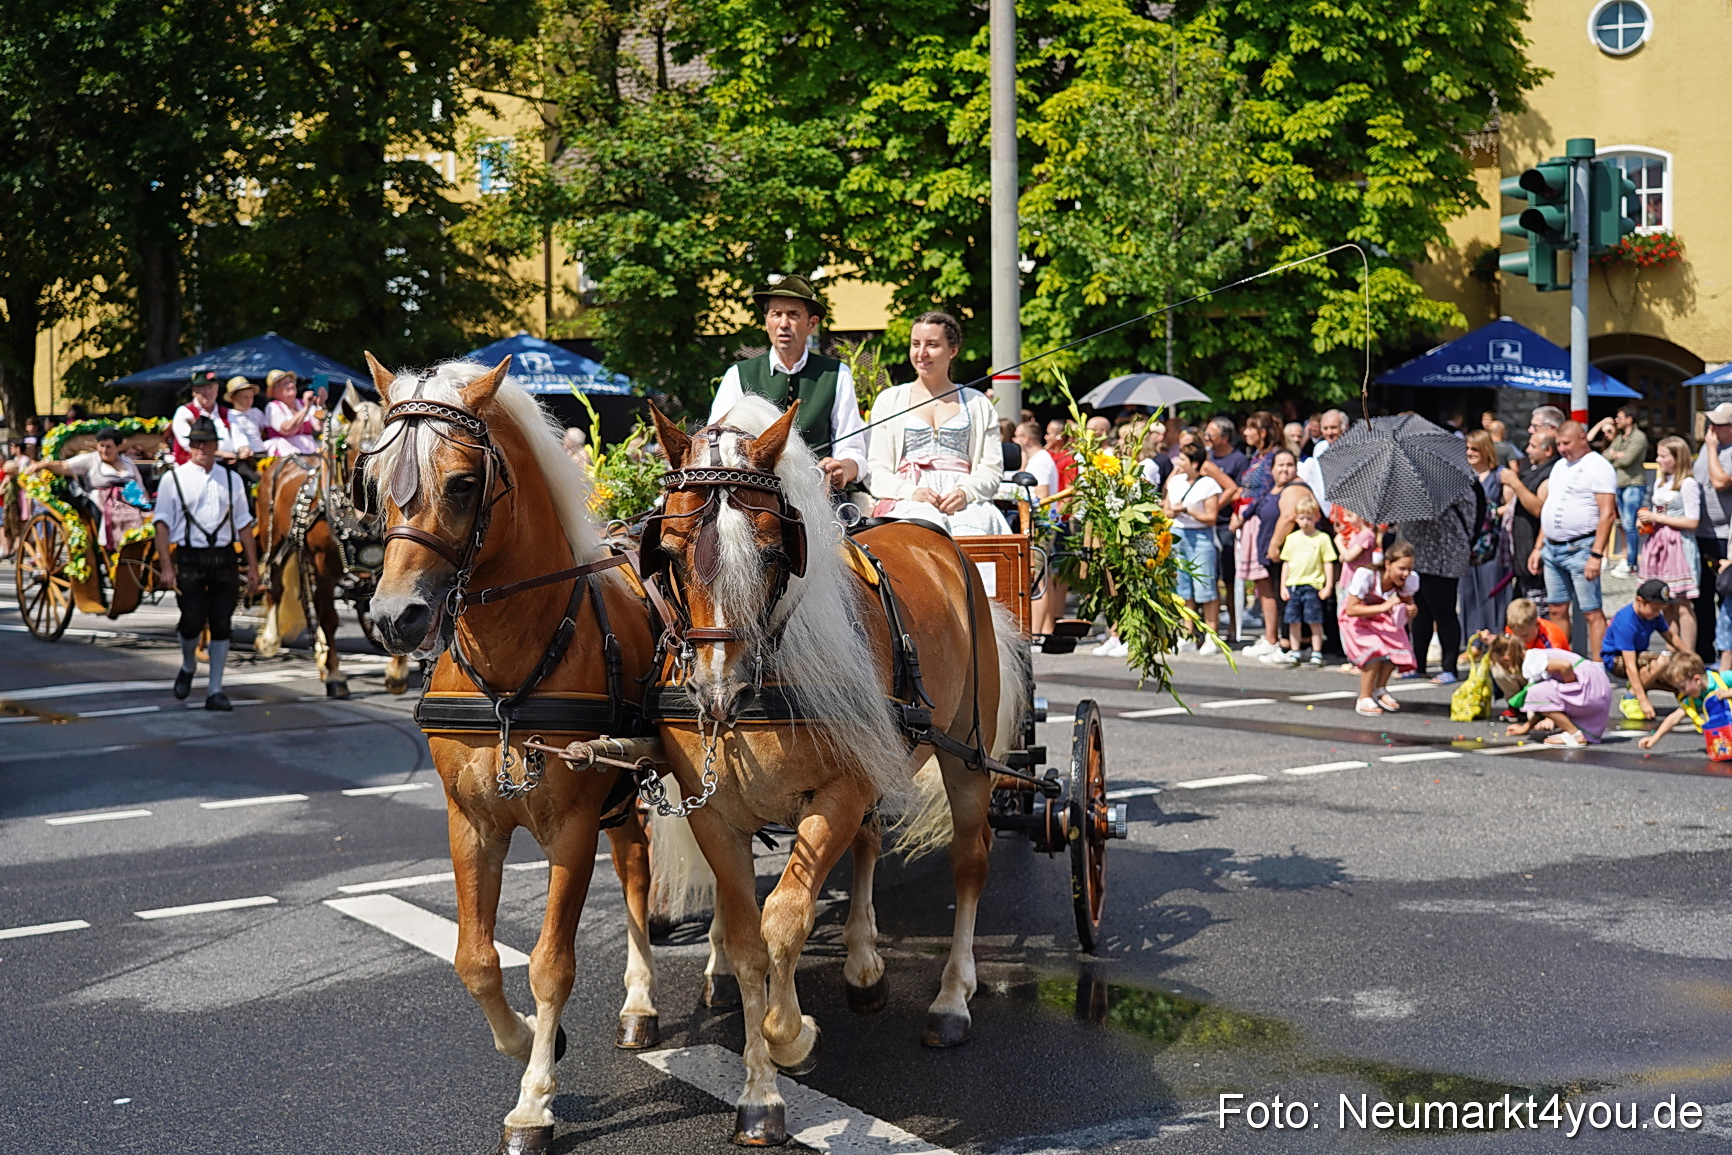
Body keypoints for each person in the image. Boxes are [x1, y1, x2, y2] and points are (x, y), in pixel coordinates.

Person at [710, 274, 866, 491]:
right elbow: (715, 440)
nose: (783, 324)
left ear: (811, 324)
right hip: (754, 493)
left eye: (793, 314)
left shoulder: (836, 374)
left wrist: (844, 467)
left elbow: (852, 449)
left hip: (819, 492)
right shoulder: (738, 374)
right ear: (766, 322)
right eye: (776, 314)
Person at [864, 311, 1007, 536]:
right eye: (915, 344)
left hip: (965, 502)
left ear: (952, 350)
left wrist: (966, 493)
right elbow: (876, 469)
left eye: (932, 344)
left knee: (974, 529)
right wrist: (910, 492)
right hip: (908, 499)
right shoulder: (889, 400)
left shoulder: (978, 403)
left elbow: (991, 468)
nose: (921, 353)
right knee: (921, 529)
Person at [152, 417, 259, 711]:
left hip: (224, 557)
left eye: (206, 442)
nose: (201, 447)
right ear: (189, 446)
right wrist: (167, 567)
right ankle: (188, 665)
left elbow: (244, 525)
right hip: (190, 557)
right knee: (192, 620)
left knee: (222, 623)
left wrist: (252, 566)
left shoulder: (232, 479)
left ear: (215, 446)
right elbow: (161, 525)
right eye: (196, 442)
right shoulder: (174, 479)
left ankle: (215, 690)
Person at [1532, 419, 1618, 661]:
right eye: (1559, 444)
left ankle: (1599, 666)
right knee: (1556, 608)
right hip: (1552, 547)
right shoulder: (1560, 466)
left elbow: (1608, 513)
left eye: (1567, 443)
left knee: (1591, 611)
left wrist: (1596, 554)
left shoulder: (1598, 466)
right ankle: (1562, 662)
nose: (1562, 449)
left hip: (1581, 547)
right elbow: (1552, 506)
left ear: (1582, 439)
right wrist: (1538, 546)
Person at [1238, 449, 1311, 661]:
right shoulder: (1276, 487)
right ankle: (1283, 643)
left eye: (1289, 465)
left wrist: (1274, 545)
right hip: (1274, 555)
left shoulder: (1295, 487)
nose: (1285, 469)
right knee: (1280, 600)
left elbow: (1288, 517)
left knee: (1288, 600)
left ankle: (1292, 647)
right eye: (1280, 465)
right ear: (1272, 468)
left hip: (1286, 555)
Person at [1397, 481, 1473, 684]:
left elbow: (1468, 512)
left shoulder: (1450, 480)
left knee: (1444, 612)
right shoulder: (1408, 481)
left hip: (1443, 555)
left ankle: (1449, 668)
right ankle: (1418, 665)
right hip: (1417, 554)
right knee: (1420, 612)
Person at [24, 427, 147, 551]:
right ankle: (116, 550)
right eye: (101, 446)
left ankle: (140, 547)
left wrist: (145, 501)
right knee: (122, 516)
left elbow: (140, 485)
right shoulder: (91, 459)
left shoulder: (127, 462)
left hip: (132, 499)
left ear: (118, 447)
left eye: (109, 447)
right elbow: (64, 466)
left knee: (146, 516)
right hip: (104, 501)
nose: (104, 450)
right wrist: (43, 465)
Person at [1489, 633, 1611, 747]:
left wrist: (1570, 689)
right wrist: (1525, 727)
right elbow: (1542, 705)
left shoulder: (1532, 662)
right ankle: (1574, 730)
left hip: (1589, 686)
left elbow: (1565, 666)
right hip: (1597, 685)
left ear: (1506, 659)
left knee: (1534, 692)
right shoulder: (1534, 656)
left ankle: (1574, 734)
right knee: (1539, 693)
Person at [1638, 435, 1700, 653]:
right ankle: (1671, 650)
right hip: (1659, 544)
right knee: (1666, 602)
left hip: (1678, 546)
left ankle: (1688, 654)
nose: (1658, 460)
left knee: (1682, 603)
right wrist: (1645, 521)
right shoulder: (1661, 482)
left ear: (1677, 458)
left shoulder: (1688, 484)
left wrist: (1657, 518)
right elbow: (1657, 513)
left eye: (1663, 456)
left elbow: (1692, 521)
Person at [1342, 540, 1419, 715]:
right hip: (1357, 620)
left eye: (1409, 568)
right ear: (1388, 564)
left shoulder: (1409, 580)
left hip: (1383, 620)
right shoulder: (1367, 576)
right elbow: (1351, 609)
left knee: (1397, 646)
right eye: (1402, 568)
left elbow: (1408, 602)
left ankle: (1380, 689)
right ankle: (1364, 697)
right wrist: (1383, 607)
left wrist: (1411, 610)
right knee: (1376, 651)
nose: (1406, 573)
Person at [1164, 441, 1224, 653]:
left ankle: (1211, 635)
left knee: (1205, 586)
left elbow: (1211, 517)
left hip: (1200, 536)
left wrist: (1189, 511)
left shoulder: (1208, 484)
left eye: (1183, 459)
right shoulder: (1175, 481)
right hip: (1178, 534)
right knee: (1183, 587)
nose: (1179, 463)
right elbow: (1166, 509)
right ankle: (1187, 633)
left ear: (1195, 463)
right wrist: (1173, 511)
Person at [1601, 580, 1687, 720]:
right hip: (1617, 659)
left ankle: (1683, 693)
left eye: (1660, 610)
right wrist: (1643, 701)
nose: (1657, 614)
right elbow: (1629, 665)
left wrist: (1691, 659)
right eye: (1654, 609)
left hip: (1639, 655)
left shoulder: (1654, 615)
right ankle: (1631, 696)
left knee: (1675, 667)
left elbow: (1672, 638)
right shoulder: (1626, 622)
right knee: (1661, 662)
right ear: (1639, 601)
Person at [1459, 429, 1510, 639]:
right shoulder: (1462, 477)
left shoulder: (1499, 476)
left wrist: (1491, 512)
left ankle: (1493, 638)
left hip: (1492, 544)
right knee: (1468, 593)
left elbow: (1511, 504)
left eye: (1475, 449)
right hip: (1467, 543)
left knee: (1491, 591)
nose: (1469, 453)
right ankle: (1472, 640)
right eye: (1467, 448)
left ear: (1486, 450)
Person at [1589, 405, 1650, 575]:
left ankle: (1631, 563)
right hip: (1620, 485)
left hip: (1633, 484)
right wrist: (1616, 455)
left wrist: (1615, 455)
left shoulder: (1639, 437)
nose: (1617, 421)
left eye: (1620, 418)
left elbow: (1627, 459)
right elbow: (1605, 456)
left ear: (1629, 419)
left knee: (1630, 525)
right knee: (1623, 524)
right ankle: (1628, 561)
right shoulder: (1620, 438)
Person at [1693, 403, 1732, 666]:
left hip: (1724, 535)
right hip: (1700, 532)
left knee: (1725, 597)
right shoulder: (1709, 448)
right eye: (1711, 423)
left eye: (1718, 424)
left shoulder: (1719, 449)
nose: (1712, 428)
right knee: (1702, 595)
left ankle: (1725, 656)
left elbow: (1720, 482)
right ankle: (1704, 653)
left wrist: (1709, 448)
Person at [1500, 428, 1558, 602]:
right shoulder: (1533, 470)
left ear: (1548, 450)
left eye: (1533, 446)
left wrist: (1516, 484)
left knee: (1537, 610)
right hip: (1522, 554)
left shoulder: (1551, 473)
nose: (1527, 450)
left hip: (1535, 556)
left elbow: (1540, 510)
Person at [1277, 496, 1337, 666]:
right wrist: (1283, 586)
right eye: (1302, 518)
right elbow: (1286, 563)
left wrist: (1328, 586)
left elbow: (1328, 562)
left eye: (1309, 518)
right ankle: (1295, 651)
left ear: (1316, 518)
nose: (1305, 522)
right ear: (1296, 518)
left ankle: (1317, 651)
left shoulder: (1322, 538)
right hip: (1294, 585)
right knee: (1293, 620)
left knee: (1314, 620)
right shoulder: (1292, 538)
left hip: (1313, 584)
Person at [1204, 416, 1249, 634]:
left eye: (1210, 434)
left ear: (1224, 437)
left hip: (1225, 525)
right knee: (1209, 577)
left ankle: (1233, 625)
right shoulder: (1207, 457)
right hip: (1206, 524)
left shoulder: (1237, 460)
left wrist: (1218, 507)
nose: (1206, 438)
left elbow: (1240, 490)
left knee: (1229, 579)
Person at [1638, 652, 1719, 749]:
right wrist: (1654, 738)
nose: (1682, 692)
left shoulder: (1721, 680)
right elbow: (1674, 717)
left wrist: (1728, 693)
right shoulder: (1694, 699)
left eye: (1683, 687)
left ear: (1697, 680)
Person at [170, 373, 239, 464]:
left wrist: (243, 449)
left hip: (228, 464)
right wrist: (221, 454)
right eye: (202, 388)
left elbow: (239, 436)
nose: (207, 392)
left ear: (217, 389)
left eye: (210, 387)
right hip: (192, 466)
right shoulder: (184, 412)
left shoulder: (227, 413)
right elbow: (188, 444)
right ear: (194, 391)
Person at [262, 369, 321, 458]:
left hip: (309, 449)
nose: (291, 385)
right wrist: (306, 409)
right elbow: (287, 430)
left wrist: (321, 404)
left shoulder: (303, 403)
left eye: (291, 382)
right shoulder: (273, 407)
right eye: (286, 383)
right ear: (275, 391)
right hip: (285, 452)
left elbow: (319, 427)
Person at [1012, 421, 1057, 500]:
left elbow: (1042, 496)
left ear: (1025, 439)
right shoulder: (1036, 458)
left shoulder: (1039, 460)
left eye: (1016, 436)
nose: (1013, 440)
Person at [224, 378, 266, 459]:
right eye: (245, 397)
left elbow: (262, 431)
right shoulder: (229, 414)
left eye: (251, 397)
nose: (249, 400)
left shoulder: (256, 412)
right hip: (241, 455)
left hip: (260, 452)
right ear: (233, 398)